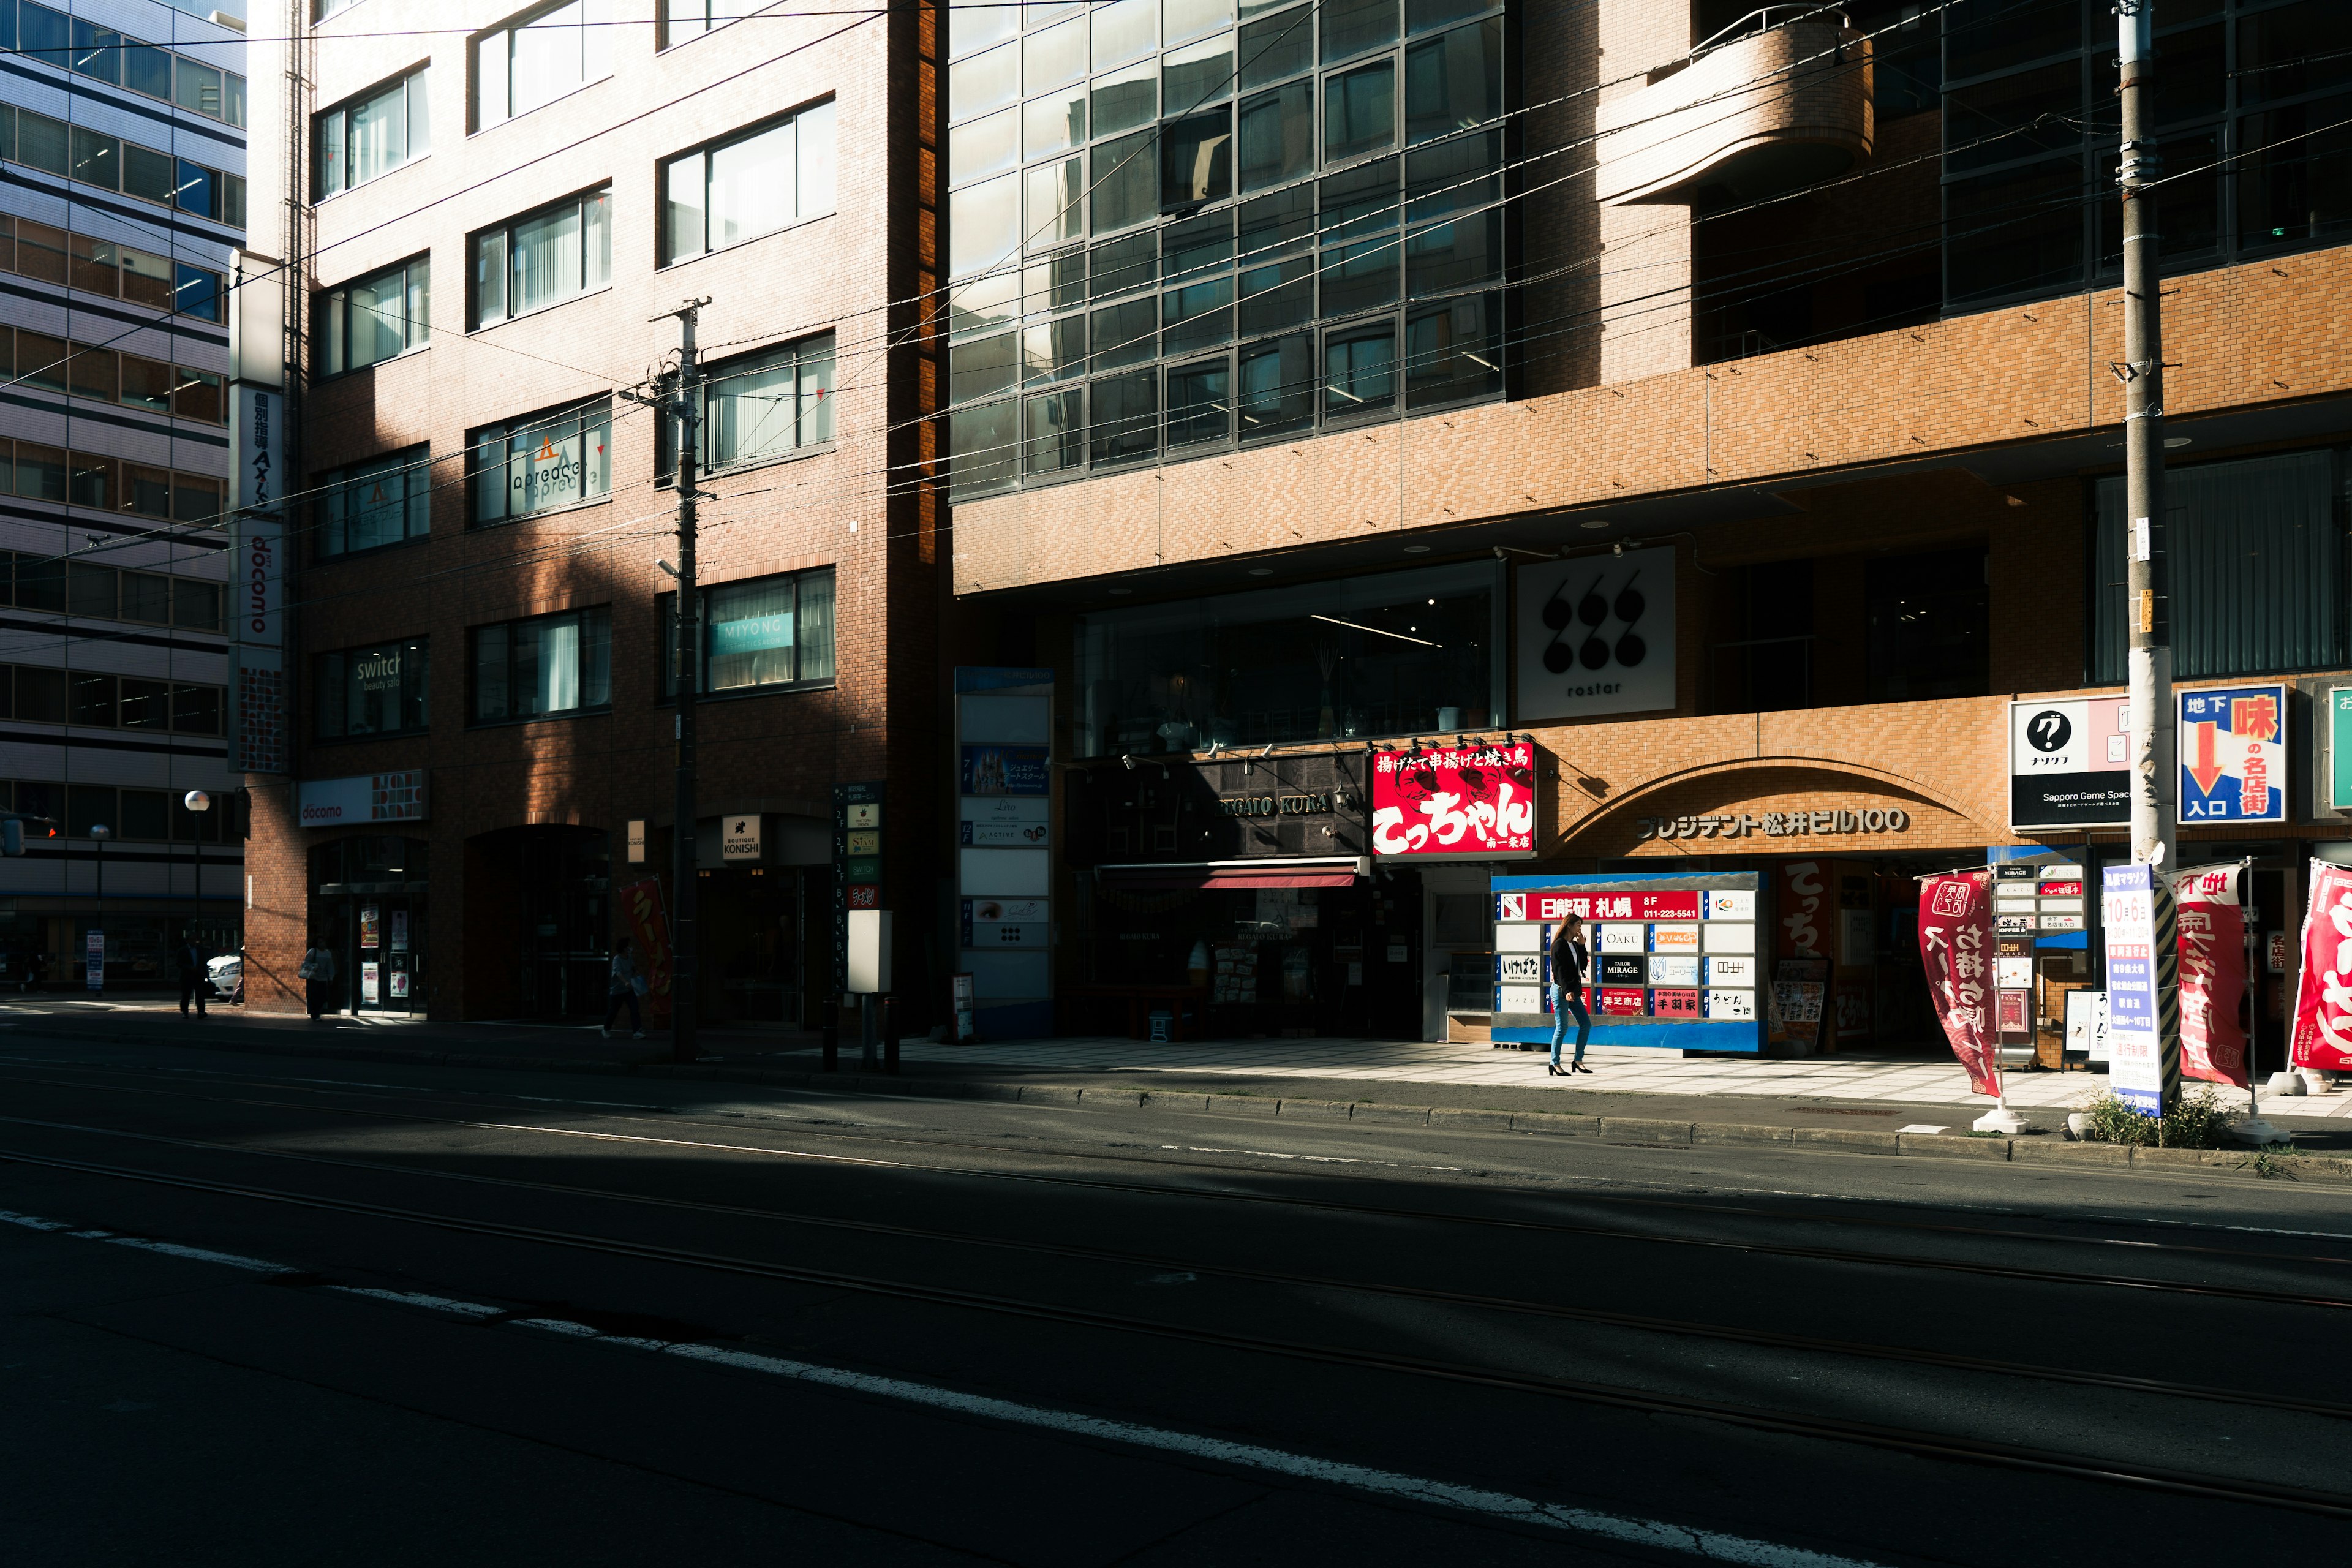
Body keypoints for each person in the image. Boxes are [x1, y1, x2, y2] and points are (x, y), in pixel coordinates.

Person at [1548, 913, 1592, 1076]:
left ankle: (1578, 1060)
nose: (1580, 928)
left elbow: (1583, 965)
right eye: (1578, 925)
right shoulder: (1559, 945)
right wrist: (1567, 991)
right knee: (1562, 1028)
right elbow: (1560, 971)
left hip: (1572, 990)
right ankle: (1555, 1063)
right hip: (1561, 990)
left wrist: (1581, 946)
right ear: (1569, 925)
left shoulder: (1573, 944)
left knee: (1586, 1024)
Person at [603, 937, 646, 1040]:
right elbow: (618, 972)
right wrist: (626, 982)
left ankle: (637, 1031)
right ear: (624, 948)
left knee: (634, 1009)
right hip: (617, 991)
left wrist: (637, 974)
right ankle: (606, 1029)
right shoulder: (617, 959)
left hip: (629, 990)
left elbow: (633, 968)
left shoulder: (630, 958)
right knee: (613, 1011)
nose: (631, 948)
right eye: (629, 947)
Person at [298, 937, 337, 1019]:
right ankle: (315, 1015)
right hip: (313, 978)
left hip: (323, 978)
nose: (322, 944)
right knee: (313, 997)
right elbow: (305, 963)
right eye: (320, 942)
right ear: (317, 944)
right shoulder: (313, 951)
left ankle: (317, 1012)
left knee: (323, 997)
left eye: (323, 942)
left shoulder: (327, 953)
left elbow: (330, 966)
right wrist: (312, 968)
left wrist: (331, 977)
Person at [175, 929, 209, 1018]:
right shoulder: (182, 951)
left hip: (198, 975)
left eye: (195, 939)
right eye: (192, 939)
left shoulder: (200, 949)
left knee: (200, 995)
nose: (194, 941)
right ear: (187, 940)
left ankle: (201, 1012)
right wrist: (189, 967)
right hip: (187, 976)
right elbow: (179, 963)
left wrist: (206, 974)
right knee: (186, 995)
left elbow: (203, 962)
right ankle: (185, 1012)